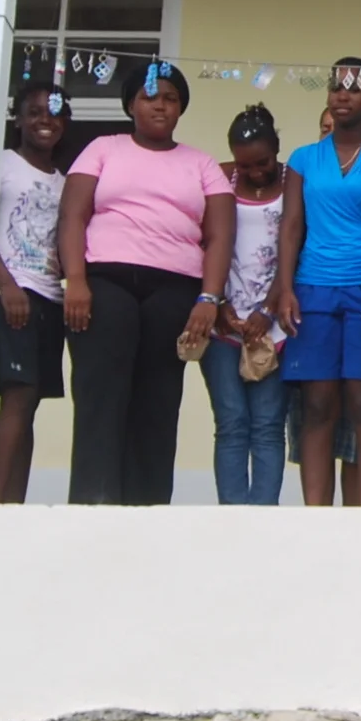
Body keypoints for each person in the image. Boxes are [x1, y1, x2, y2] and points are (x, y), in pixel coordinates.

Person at [59, 61, 232, 506]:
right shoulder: (102, 148)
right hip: (104, 282)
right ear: (131, 104)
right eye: (150, 96)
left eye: (171, 98)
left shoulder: (202, 164)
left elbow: (218, 238)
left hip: (174, 290)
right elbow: (73, 216)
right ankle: (93, 501)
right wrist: (74, 280)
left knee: (157, 400)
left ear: (181, 109)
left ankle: (148, 507)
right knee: (101, 392)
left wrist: (209, 299)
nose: (160, 105)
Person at [272, 59, 361, 507]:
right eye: (336, 87)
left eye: (354, 88)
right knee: (317, 404)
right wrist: (285, 287)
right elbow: (291, 226)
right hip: (312, 288)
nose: (343, 96)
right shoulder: (302, 158)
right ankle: (316, 514)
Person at [197, 103, 289, 506]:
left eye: (262, 162)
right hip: (222, 322)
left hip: (275, 325)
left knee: (268, 425)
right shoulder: (218, 178)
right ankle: (233, 518)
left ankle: (264, 517)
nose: (254, 172)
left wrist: (267, 310)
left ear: (278, 148)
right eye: (244, 164)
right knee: (231, 423)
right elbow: (201, 242)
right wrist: (216, 304)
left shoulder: (295, 181)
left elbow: (297, 249)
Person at [0, 82, 71, 505]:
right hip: (12, 292)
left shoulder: (65, 181)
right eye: (35, 112)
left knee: (30, 403)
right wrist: (5, 284)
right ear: (18, 119)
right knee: (15, 398)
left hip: (50, 297)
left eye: (54, 113)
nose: (45, 120)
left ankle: (13, 507)